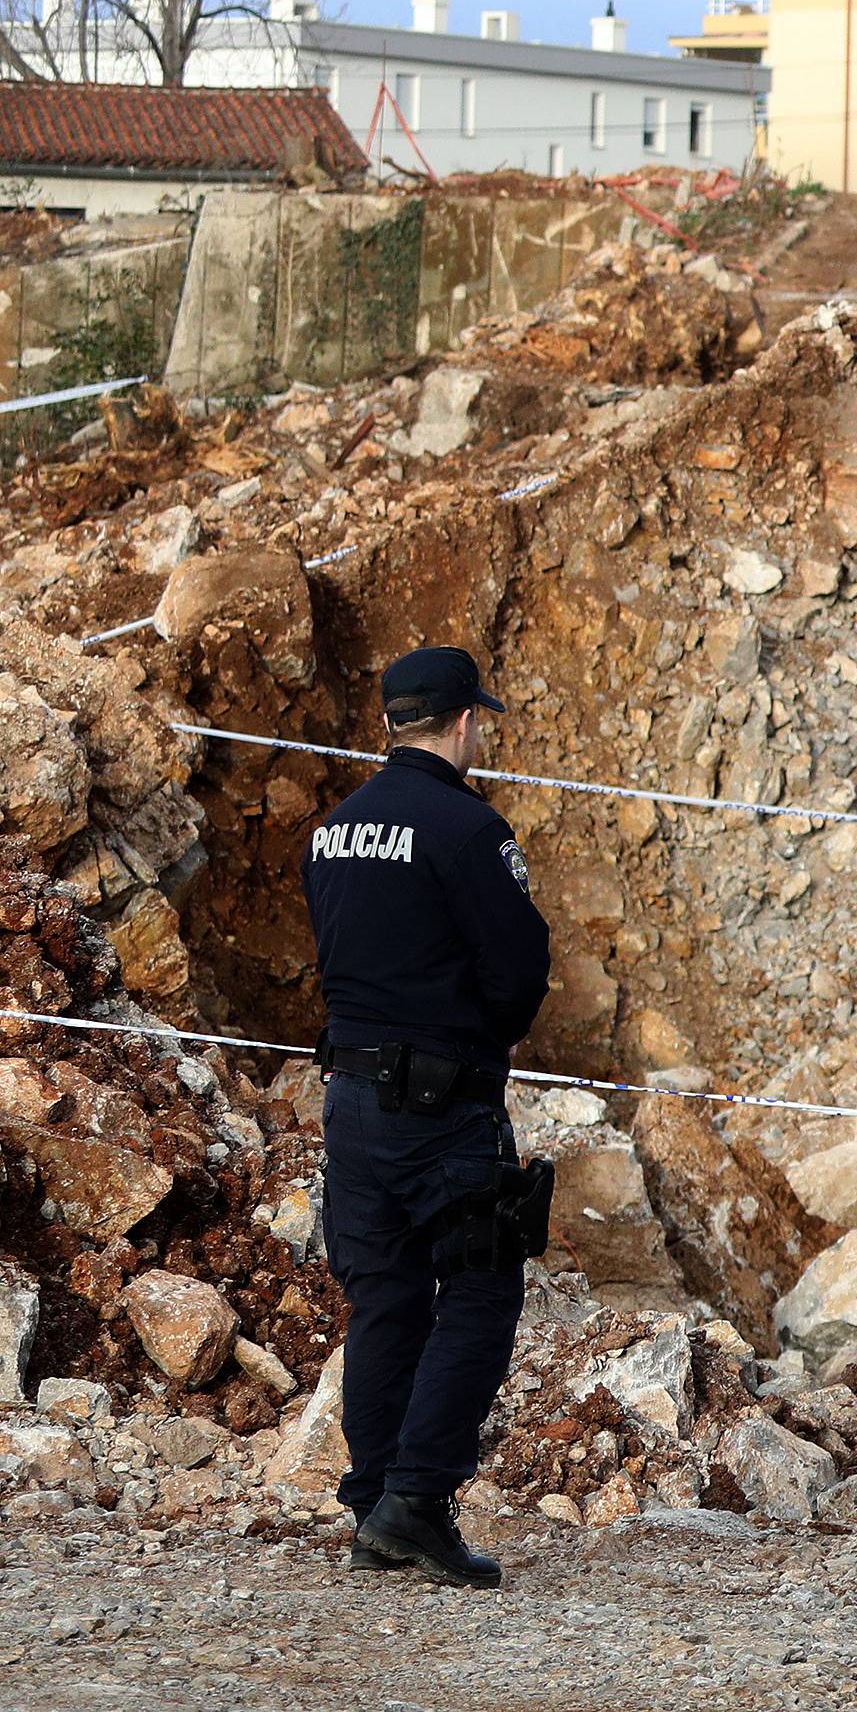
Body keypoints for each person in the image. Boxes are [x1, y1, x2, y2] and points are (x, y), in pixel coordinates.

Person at [302, 645, 551, 1589]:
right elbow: (519, 973)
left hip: (351, 1100)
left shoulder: (333, 830)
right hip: (443, 1105)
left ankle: (373, 1504)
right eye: (477, 721)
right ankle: (415, 1503)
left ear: (389, 723)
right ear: (463, 724)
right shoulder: (467, 828)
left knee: (387, 1297)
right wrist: (477, 1044)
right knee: (482, 1291)